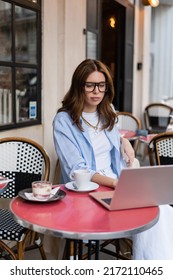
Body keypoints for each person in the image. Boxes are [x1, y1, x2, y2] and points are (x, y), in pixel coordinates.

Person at [53, 59, 173, 259]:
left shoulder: (108, 112)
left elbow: (107, 138)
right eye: (89, 85)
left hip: (116, 184)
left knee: (161, 210)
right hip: (87, 191)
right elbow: (77, 169)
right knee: (153, 214)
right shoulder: (64, 121)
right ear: (78, 86)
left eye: (101, 85)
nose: (96, 91)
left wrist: (123, 141)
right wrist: (115, 183)